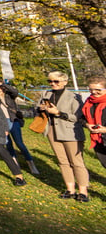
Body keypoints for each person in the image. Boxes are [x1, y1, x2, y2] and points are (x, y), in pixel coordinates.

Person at [37, 71, 89, 201]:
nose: (52, 84)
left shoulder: (74, 97)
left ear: (65, 82)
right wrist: (41, 108)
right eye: (50, 81)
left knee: (76, 162)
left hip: (71, 132)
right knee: (62, 161)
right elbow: (36, 106)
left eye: (56, 81)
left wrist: (59, 113)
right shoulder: (46, 94)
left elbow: (77, 117)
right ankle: (70, 189)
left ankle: (83, 191)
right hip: (52, 130)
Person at [0, 79, 39, 175]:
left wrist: (5, 85)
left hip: (13, 120)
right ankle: (15, 163)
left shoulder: (9, 95)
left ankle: (30, 163)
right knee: (8, 143)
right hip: (2, 122)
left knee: (19, 143)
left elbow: (15, 92)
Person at [81, 75, 106, 171]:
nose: (94, 92)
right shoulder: (89, 102)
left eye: (98, 89)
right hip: (98, 140)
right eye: (91, 89)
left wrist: (104, 129)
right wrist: (87, 125)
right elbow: (81, 118)